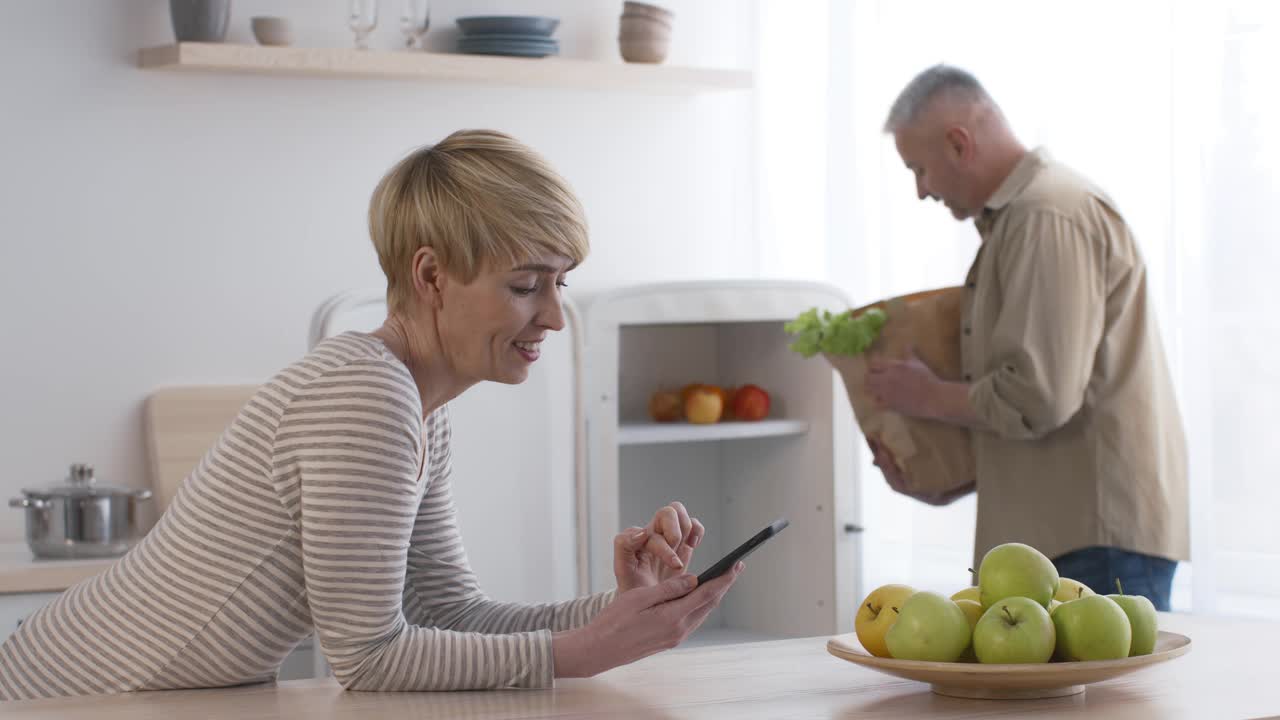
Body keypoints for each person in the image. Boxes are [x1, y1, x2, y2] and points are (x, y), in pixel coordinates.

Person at [0, 130, 740, 701]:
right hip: (54, 697)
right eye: (525, 285)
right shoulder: (366, 396)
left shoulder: (419, 406)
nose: (554, 315)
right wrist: (579, 651)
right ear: (430, 276)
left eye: (561, 283)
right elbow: (371, 658)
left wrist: (619, 612)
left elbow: (447, 615)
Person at [865, 65, 1188, 610]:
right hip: (1073, 536)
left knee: (1104, 700)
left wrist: (923, 397)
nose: (921, 191)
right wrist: (952, 480)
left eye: (919, 169)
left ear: (959, 142)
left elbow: (1038, 395)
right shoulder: (1028, 218)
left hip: (1093, 546)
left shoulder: (1046, 216)